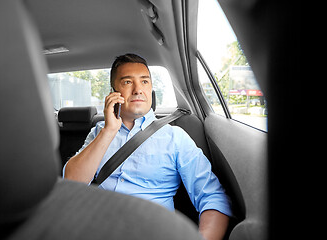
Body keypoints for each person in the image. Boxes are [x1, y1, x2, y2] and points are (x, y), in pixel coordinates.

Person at [64, 53, 232, 240]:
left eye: (144, 82)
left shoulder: (174, 137)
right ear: (113, 92)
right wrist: (109, 131)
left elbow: (213, 198)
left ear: (151, 89)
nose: (138, 90)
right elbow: (71, 183)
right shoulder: (99, 132)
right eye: (127, 82)